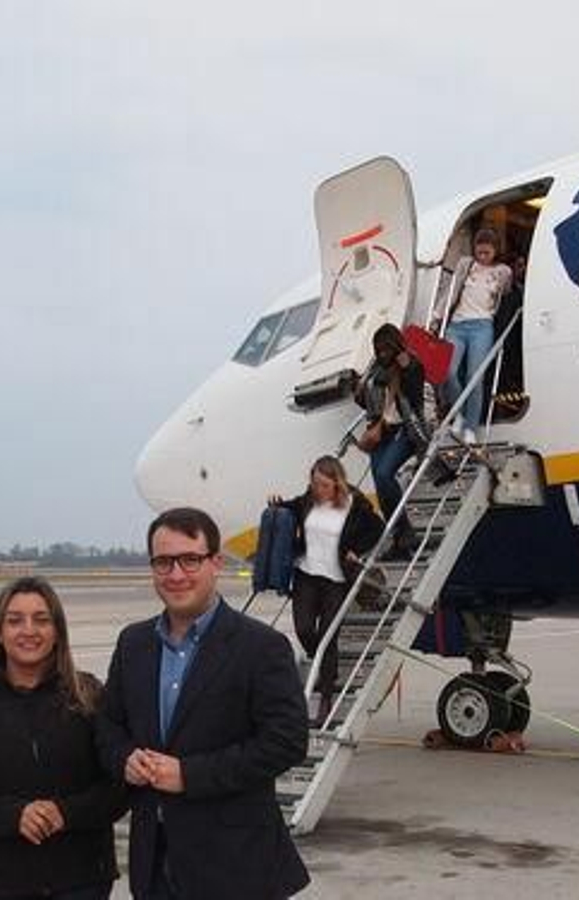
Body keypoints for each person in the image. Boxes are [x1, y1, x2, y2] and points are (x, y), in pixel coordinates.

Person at [96, 507, 310, 899]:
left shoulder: (261, 647)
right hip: (155, 863)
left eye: (190, 560)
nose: (176, 574)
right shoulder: (133, 644)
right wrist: (124, 758)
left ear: (216, 563)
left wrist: (190, 775)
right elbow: (108, 728)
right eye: (163, 562)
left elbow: (287, 742)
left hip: (236, 867)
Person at [0, 576, 125, 899]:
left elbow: (119, 785)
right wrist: (12, 816)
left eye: (41, 620)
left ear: (57, 632)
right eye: (15, 621)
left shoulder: (88, 695)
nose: (29, 630)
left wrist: (65, 813)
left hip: (80, 882)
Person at [270, 456, 384, 724]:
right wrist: (275, 503)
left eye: (323, 485)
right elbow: (289, 508)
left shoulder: (354, 505)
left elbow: (376, 528)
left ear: (336, 483)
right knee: (304, 629)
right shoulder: (308, 500)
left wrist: (357, 549)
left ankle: (325, 698)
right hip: (307, 575)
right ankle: (323, 668)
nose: (317, 489)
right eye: (314, 484)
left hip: (336, 579)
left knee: (327, 636)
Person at [356, 322, 433, 557]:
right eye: (378, 350)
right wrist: (358, 387)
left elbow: (414, 395)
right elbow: (365, 401)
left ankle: (405, 532)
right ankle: (399, 536)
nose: (382, 354)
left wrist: (406, 367)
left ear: (396, 345)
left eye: (386, 349)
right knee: (380, 484)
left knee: (384, 473)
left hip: (406, 428)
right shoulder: (376, 369)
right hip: (381, 431)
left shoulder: (412, 364)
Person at [440, 228, 512, 442]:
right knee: (448, 372)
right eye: (479, 252)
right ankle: (459, 415)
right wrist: (437, 315)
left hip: (482, 325)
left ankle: (471, 427)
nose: (482, 257)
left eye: (486, 253)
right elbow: (452, 292)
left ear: (495, 251)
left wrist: (505, 274)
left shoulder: (502, 271)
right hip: (457, 324)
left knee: (474, 377)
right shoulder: (466, 264)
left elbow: (506, 292)